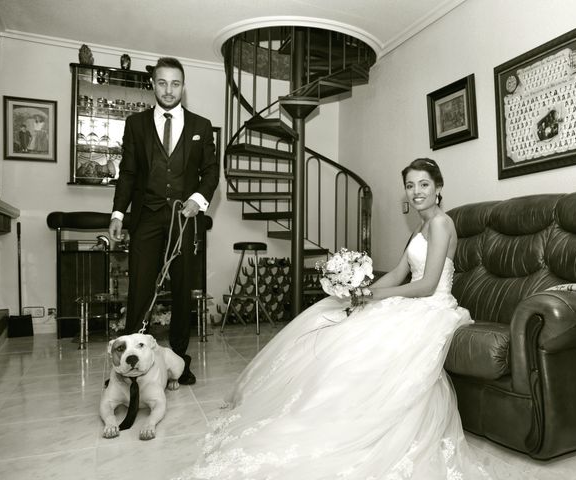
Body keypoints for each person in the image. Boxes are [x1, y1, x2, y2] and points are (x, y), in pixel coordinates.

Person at [174, 158, 490, 479]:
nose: (416, 192)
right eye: (410, 185)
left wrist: (373, 297)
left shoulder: (440, 224)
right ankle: (316, 409)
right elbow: (397, 273)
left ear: (438, 188)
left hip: (431, 306)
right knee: (335, 319)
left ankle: (347, 419)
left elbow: (427, 284)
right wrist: (360, 291)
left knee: (366, 339)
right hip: (412, 298)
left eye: (424, 184)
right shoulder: (421, 227)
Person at [108, 57, 219, 385]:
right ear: (152, 84)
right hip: (146, 219)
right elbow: (127, 173)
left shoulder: (201, 126)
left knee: (184, 290)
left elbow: (211, 171)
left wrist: (198, 201)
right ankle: (129, 368)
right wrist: (117, 214)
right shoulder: (136, 123)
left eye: (175, 83)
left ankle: (180, 363)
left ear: (183, 87)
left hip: (184, 222)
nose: (168, 89)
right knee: (140, 291)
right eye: (162, 82)